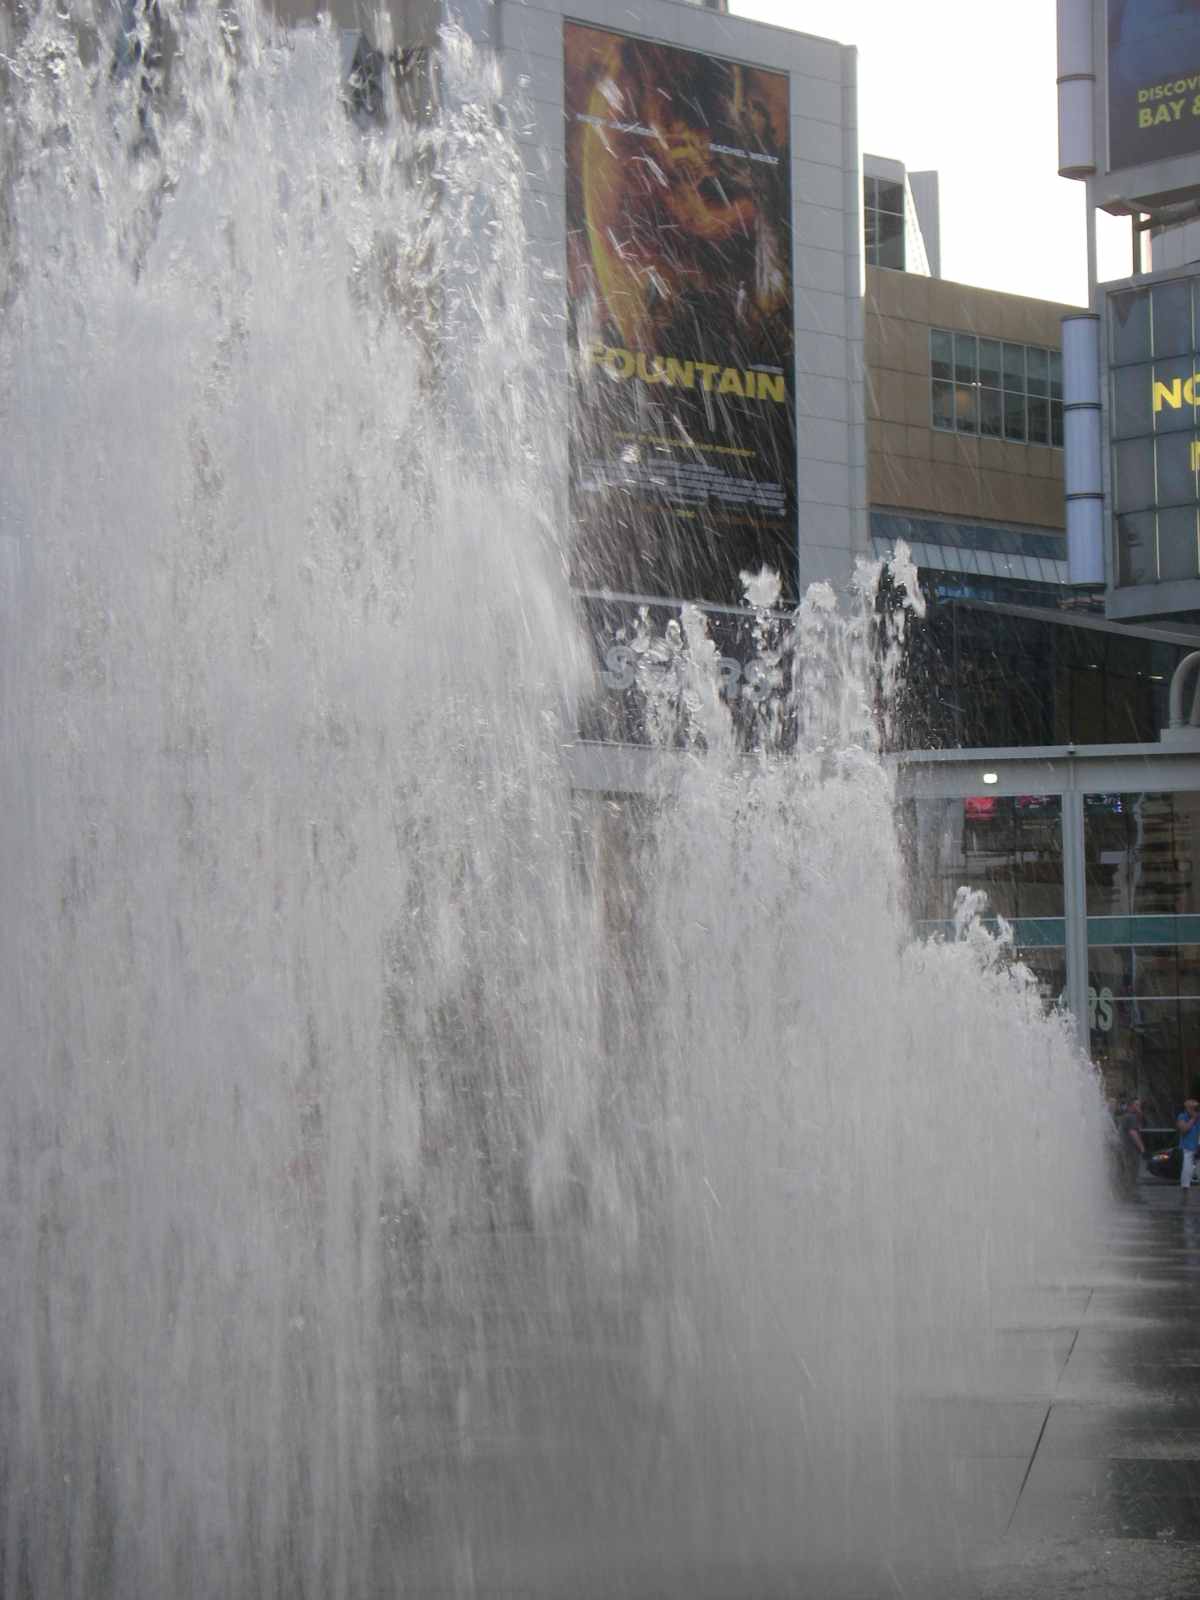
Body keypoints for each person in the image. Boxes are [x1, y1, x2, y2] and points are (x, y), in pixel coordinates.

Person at [1117, 1097, 1146, 1195]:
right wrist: (1142, 1148)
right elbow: (1133, 1133)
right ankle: (1131, 1194)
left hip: (1125, 1148)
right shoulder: (1131, 1117)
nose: (1139, 1107)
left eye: (1139, 1105)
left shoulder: (1127, 1116)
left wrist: (1139, 1114)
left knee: (1128, 1171)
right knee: (1132, 1172)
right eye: (1136, 1105)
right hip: (1131, 1149)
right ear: (1131, 1106)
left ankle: (1126, 1193)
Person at [1176, 1098, 1200, 1201]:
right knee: (1186, 1171)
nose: (1194, 1110)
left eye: (1195, 1108)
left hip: (1198, 1148)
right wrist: (1193, 1119)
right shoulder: (1182, 1116)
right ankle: (1185, 1195)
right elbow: (1183, 1129)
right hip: (1187, 1149)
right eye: (1192, 1108)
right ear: (1187, 1108)